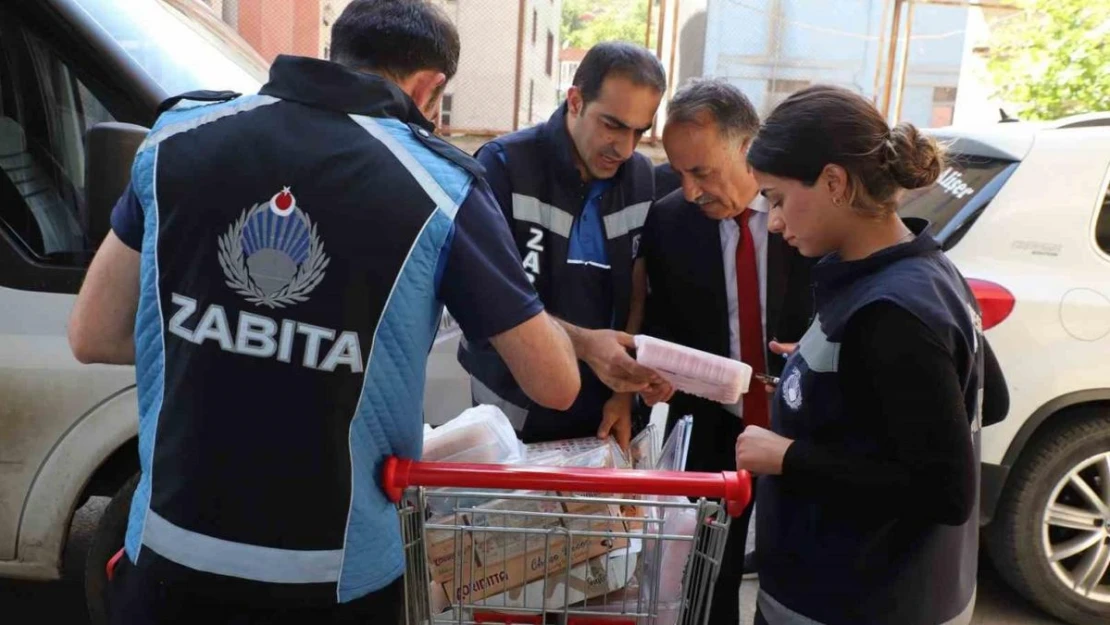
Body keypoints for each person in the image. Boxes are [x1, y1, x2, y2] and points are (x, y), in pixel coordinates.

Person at [66, 2, 580, 623]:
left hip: (171, 560)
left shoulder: (176, 139)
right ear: (430, 87)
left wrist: (228, 335)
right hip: (334, 581)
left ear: (338, 51)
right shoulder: (440, 187)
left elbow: (92, 333)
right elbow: (555, 384)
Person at [736, 84, 983, 625]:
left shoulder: (893, 310)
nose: (773, 222)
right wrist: (821, 384)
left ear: (834, 182)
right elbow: (975, 397)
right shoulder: (926, 270)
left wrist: (786, 455)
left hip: (860, 601)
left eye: (777, 199)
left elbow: (945, 490)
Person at [633, 78, 815, 625]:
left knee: (799, 576)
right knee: (706, 577)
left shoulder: (807, 213)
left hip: (804, 432)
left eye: (703, 172)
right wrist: (657, 376)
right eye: (678, 172)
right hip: (714, 428)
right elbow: (665, 326)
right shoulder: (669, 220)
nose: (690, 190)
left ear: (747, 147)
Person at [458, 41, 672, 447]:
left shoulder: (641, 178)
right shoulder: (502, 166)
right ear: (575, 100)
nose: (625, 148)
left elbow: (637, 294)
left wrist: (623, 394)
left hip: (603, 416)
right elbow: (483, 300)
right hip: (510, 412)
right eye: (612, 125)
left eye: (639, 131)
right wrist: (588, 345)